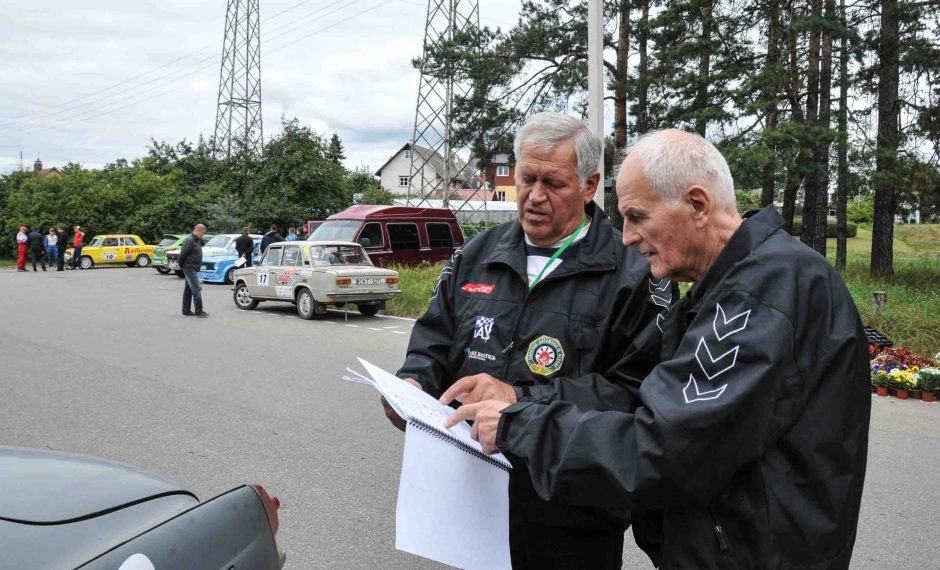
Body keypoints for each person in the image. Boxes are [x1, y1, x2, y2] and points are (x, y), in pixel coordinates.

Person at [446, 129, 871, 569]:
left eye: (638, 216)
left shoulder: (760, 295)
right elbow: (632, 391)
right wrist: (520, 399)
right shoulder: (725, 288)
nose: (627, 236)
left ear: (697, 205)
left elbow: (664, 446)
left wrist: (522, 426)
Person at [385, 112, 673, 569]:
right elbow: (432, 341)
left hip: (571, 514)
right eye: (526, 179)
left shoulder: (633, 271)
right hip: (470, 499)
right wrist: (412, 384)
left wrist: (519, 399)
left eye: (553, 183)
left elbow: (635, 393)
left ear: (589, 184)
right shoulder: (476, 255)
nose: (534, 197)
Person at [178, 224, 209, 317]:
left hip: (192, 268)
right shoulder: (190, 240)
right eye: (203, 233)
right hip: (189, 268)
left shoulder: (196, 240)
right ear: (198, 230)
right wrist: (181, 265)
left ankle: (186, 310)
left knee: (188, 290)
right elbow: (182, 254)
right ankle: (199, 311)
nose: (203, 235)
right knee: (197, 289)